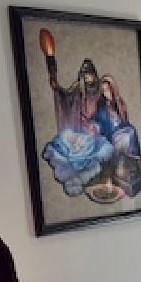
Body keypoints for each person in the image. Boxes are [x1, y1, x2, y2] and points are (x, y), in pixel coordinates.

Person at [37, 30, 113, 197]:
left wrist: (97, 126)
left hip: (93, 136)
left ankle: (85, 176)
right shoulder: (76, 93)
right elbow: (62, 95)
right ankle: (73, 179)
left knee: (100, 155)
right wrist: (53, 75)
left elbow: (106, 115)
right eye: (86, 77)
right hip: (77, 134)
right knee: (64, 155)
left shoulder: (100, 95)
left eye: (91, 77)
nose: (89, 80)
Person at [95, 75, 141, 198]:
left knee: (130, 130)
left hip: (121, 129)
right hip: (109, 134)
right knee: (127, 133)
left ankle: (131, 161)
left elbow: (125, 120)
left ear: (113, 89)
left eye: (108, 89)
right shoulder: (101, 107)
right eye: (103, 90)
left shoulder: (119, 103)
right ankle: (121, 164)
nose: (106, 93)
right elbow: (100, 125)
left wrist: (117, 103)